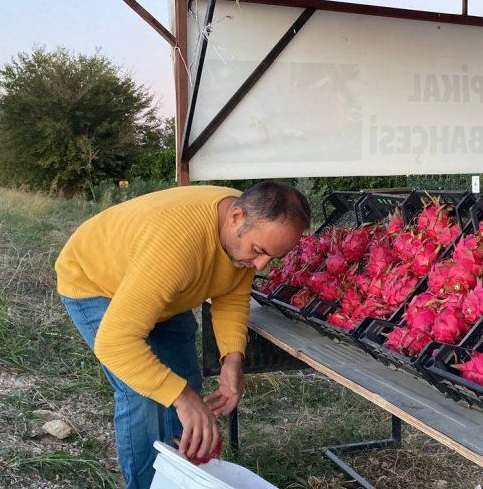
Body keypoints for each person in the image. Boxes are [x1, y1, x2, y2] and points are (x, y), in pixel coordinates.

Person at [55, 181, 309, 488]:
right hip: (98, 282)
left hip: (164, 290)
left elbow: (231, 296)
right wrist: (181, 397)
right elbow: (115, 343)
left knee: (184, 383)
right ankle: (148, 484)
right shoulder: (177, 245)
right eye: (258, 252)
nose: (259, 264)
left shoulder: (246, 229)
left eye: (272, 257)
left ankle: (178, 477)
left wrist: (232, 359)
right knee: (145, 394)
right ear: (236, 217)